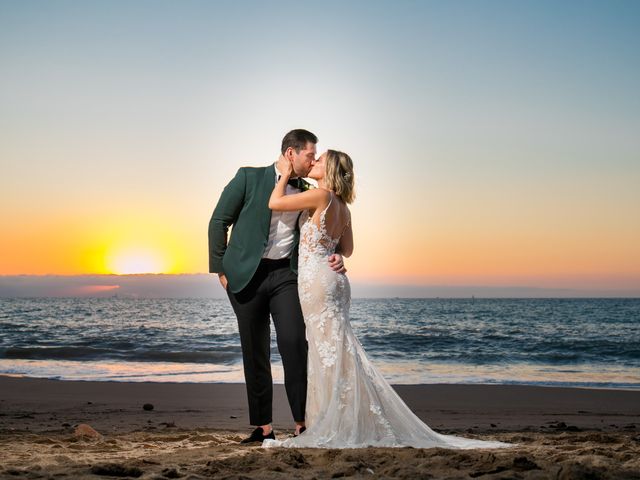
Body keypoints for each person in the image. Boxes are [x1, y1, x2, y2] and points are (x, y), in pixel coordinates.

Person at [263, 149, 515, 449]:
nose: (314, 162)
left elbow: (274, 202)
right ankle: (338, 419)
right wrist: (335, 258)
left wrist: (287, 174)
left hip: (317, 281)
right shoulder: (343, 206)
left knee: (326, 352)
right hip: (334, 282)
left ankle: (334, 423)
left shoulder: (321, 197)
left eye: (320, 160)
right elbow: (348, 249)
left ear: (329, 169)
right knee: (337, 350)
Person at [208, 129, 346, 444]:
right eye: (310, 154)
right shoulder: (248, 177)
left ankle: (302, 424)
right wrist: (220, 269)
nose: (313, 159)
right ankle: (264, 429)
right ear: (290, 154)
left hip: (286, 275)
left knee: (295, 343)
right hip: (246, 276)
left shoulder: (310, 190)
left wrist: (336, 254)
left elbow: (329, 230)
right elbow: (218, 221)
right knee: (254, 351)